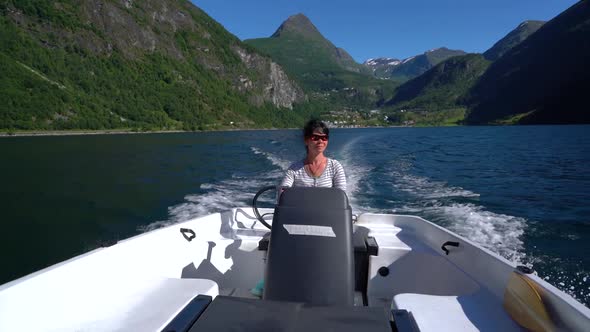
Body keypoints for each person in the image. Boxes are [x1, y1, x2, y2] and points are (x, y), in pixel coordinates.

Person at [280, 119, 347, 191]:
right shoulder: (294, 170)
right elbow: (282, 194)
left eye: (324, 138)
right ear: (306, 140)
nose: (320, 141)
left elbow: (342, 195)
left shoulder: (335, 167)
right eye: (315, 138)